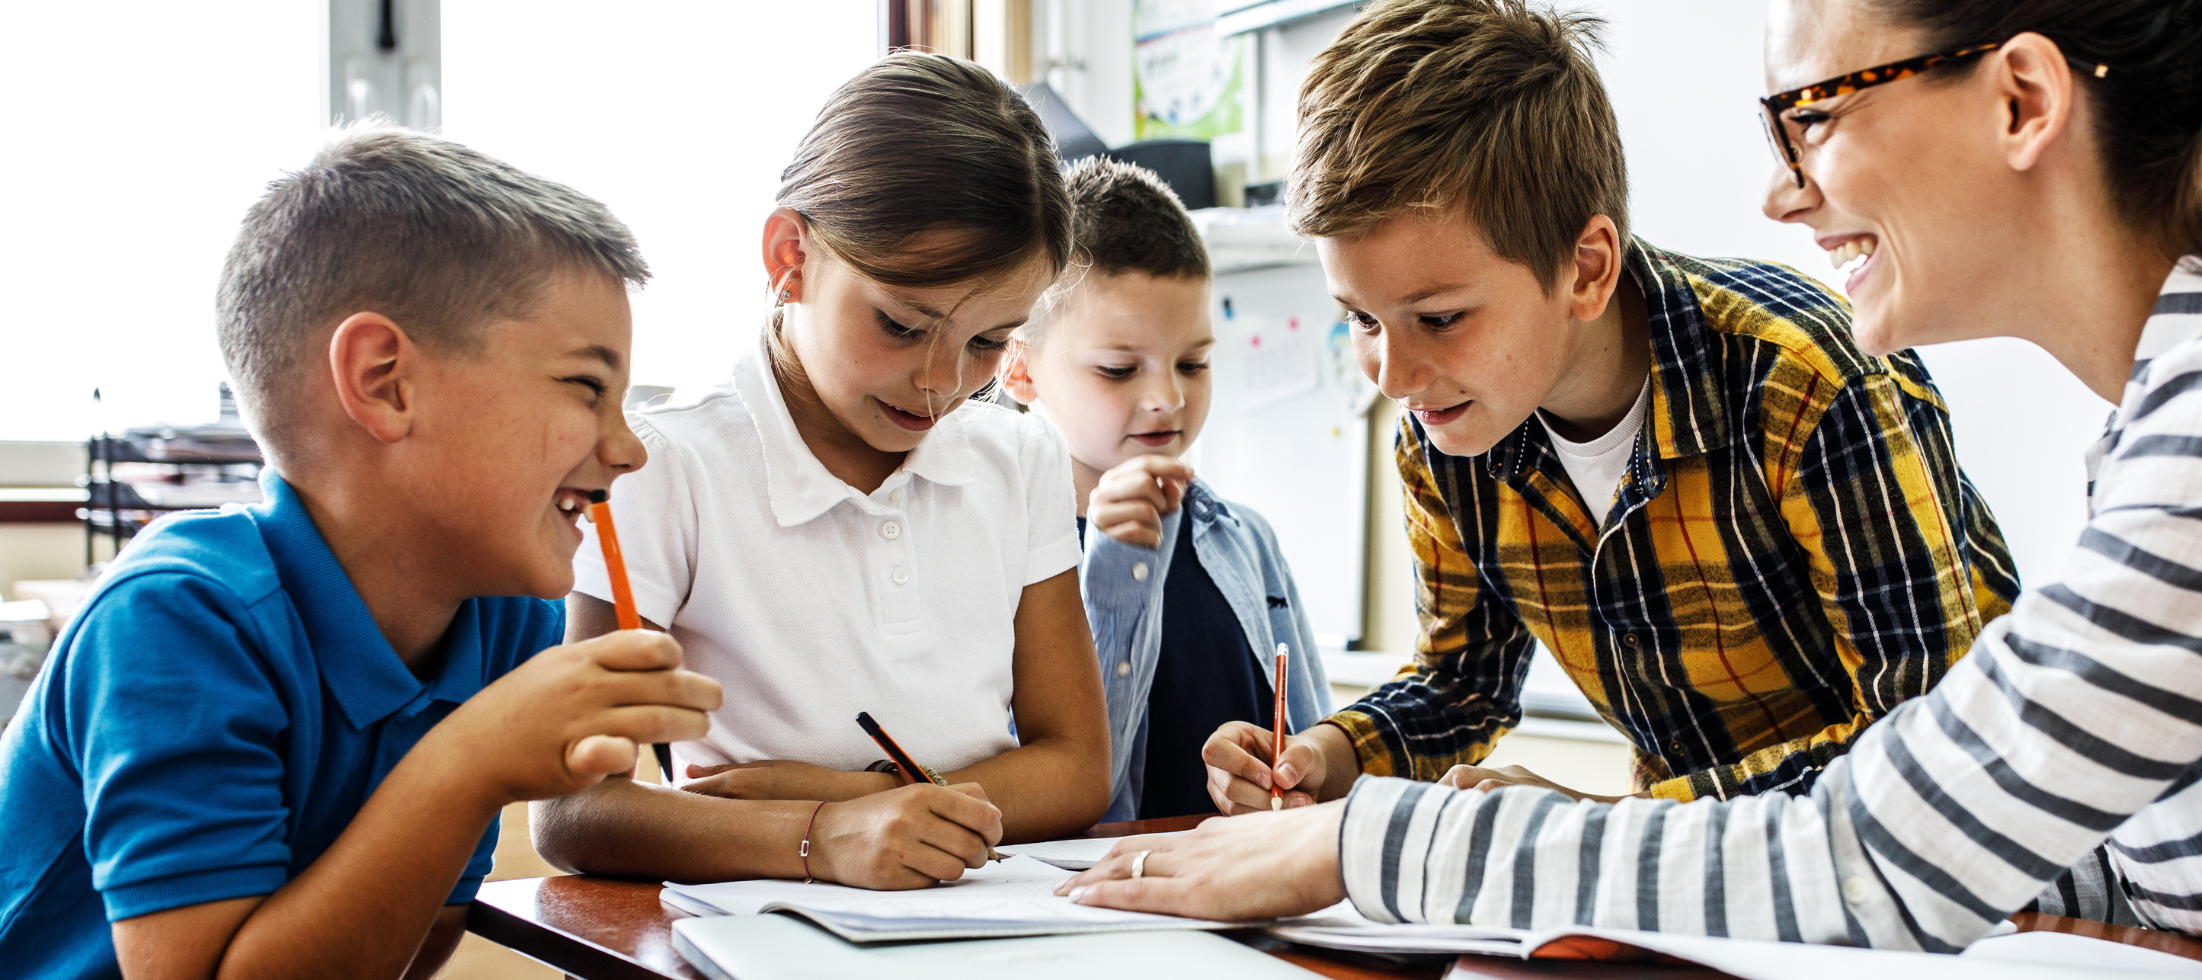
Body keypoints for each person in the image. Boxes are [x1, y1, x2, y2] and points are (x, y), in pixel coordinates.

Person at [1062, 0, 2202, 973]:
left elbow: (1878, 847)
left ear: (2023, 100)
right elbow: (2167, 843)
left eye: (1815, 115)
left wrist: (1358, 840)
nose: (1782, 190)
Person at [1196, 0, 2016, 816]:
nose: (1394, 375)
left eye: (1440, 318)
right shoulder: (1448, 426)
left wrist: (1602, 826)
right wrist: (1322, 756)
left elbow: (1925, 741)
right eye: (1362, 318)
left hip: (1956, 866)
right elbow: (1462, 684)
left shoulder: (1801, 379)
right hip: (1690, 869)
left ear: (1587, 270)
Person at [0, 127, 722, 979]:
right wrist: (471, 761)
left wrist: (477, 760)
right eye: (586, 387)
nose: (629, 449)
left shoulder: (504, 623)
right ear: (385, 381)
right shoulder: (176, 619)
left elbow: (402, 955)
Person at [529, 53, 1112, 890]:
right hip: (758, 931)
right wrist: (822, 835)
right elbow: (574, 810)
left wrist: (861, 798)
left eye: (989, 341)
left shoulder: (1019, 455)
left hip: (978, 920)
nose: (943, 382)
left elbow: (1078, 769)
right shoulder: (664, 465)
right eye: (903, 325)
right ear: (790, 255)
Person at [998, 158, 1333, 823]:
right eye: (1120, 370)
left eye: (1194, 362)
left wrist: (1300, 774)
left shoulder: (1244, 537)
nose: (1168, 398)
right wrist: (1115, 567)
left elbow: (1317, 743)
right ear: (1018, 371)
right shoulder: (997, 553)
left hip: (1243, 892)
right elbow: (1059, 796)